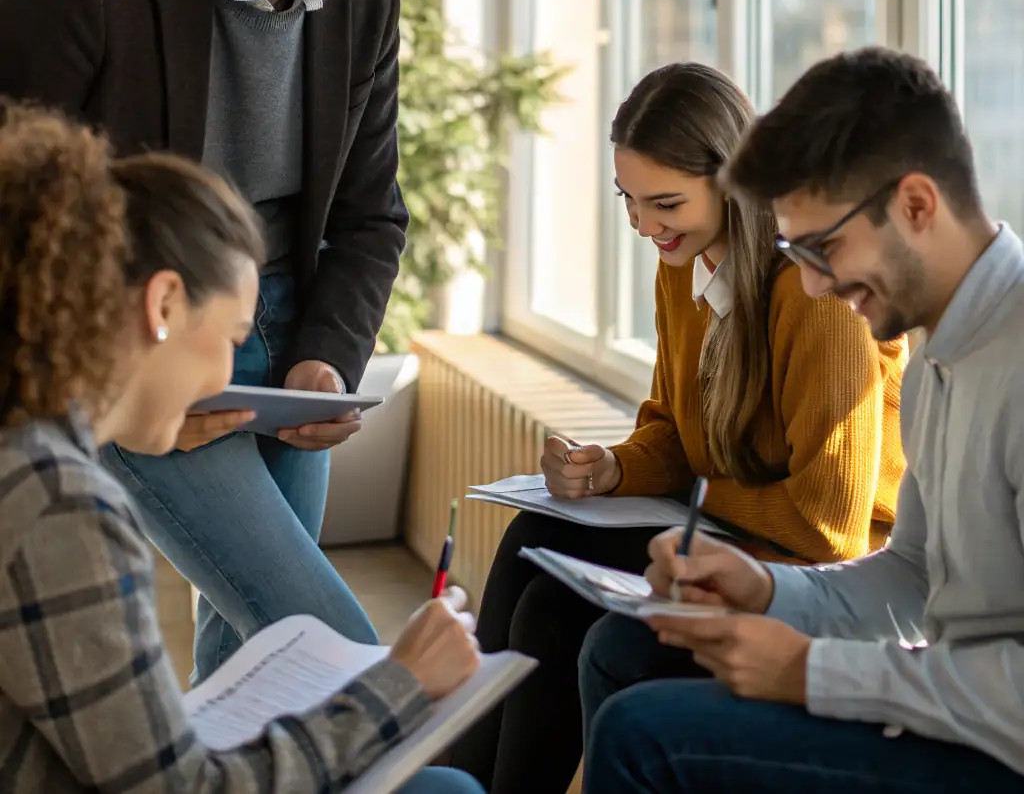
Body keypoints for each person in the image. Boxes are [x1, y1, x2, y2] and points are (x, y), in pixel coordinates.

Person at [0, 0, 463, 684]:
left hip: (289, 334)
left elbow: (370, 214)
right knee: (325, 638)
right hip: (144, 333)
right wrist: (119, 385)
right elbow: (13, 217)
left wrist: (328, 357)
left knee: (259, 653)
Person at [0, 104, 484, 794]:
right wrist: (398, 683)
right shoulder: (58, 505)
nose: (229, 376)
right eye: (231, 337)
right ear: (163, 304)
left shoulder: (25, 450)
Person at [450, 62, 906, 794]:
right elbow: (671, 427)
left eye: (664, 203)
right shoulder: (685, 262)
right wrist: (612, 468)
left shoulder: (816, 292)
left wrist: (696, 487)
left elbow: (829, 528)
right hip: (739, 524)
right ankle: (459, 784)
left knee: (562, 618)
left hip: (822, 561)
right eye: (628, 200)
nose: (643, 226)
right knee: (532, 543)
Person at [584, 47, 1024, 794]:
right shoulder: (940, 362)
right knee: (635, 689)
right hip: (955, 715)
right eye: (796, 250)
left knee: (642, 732)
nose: (814, 285)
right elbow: (912, 578)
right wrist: (762, 588)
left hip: (995, 753)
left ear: (917, 206)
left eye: (825, 247)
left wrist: (814, 672)